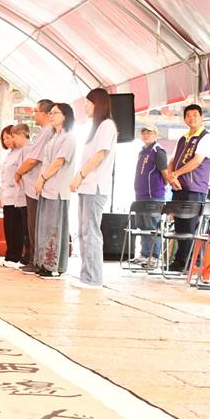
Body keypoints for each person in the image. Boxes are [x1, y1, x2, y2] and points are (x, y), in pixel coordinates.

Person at [70, 88, 118, 289]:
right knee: (84, 231)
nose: (85, 107)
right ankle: (86, 275)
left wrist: (79, 176)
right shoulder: (97, 127)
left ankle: (93, 278)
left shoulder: (107, 125)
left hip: (95, 186)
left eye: (88, 103)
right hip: (87, 186)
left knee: (91, 232)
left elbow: (99, 156)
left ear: (97, 104)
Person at [167, 104, 210, 272]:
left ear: (201, 117)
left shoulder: (206, 137)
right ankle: (180, 262)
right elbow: (172, 160)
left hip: (195, 190)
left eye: (195, 115)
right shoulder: (182, 138)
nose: (191, 118)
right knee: (179, 227)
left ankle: (190, 263)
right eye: (188, 115)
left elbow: (197, 161)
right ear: (184, 119)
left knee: (190, 227)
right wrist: (171, 176)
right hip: (178, 188)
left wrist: (176, 174)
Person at [34, 103, 78, 279]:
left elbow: (59, 161)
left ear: (65, 116)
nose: (51, 115)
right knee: (44, 226)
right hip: (46, 187)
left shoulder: (69, 137)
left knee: (54, 226)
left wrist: (42, 178)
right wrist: (41, 179)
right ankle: (43, 262)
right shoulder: (53, 137)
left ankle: (53, 265)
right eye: (50, 113)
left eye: (55, 113)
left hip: (58, 188)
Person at [16, 100, 54, 270]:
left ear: (45, 113)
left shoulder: (47, 132)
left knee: (35, 225)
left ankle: (36, 261)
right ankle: (35, 260)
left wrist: (18, 172)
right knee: (32, 225)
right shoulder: (44, 132)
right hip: (32, 185)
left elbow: (33, 160)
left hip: (36, 185)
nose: (34, 115)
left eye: (36, 111)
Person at [131, 122, 171, 267]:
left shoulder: (158, 151)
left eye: (149, 132)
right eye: (144, 132)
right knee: (142, 225)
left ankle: (154, 256)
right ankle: (144, 254)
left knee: (152, 226)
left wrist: (162, 187)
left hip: (153, 195)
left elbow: (165, 174)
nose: (146, 135)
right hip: (140, 195)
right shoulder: (142, 151)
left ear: (156, 135)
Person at [0, 125, 26, 267]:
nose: (6, 141)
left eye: (8, 137)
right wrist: (1, 195)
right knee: (8, 227)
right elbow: (4, 177)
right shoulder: (9, 154)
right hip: (7, 195)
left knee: (16, 228)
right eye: (4, 139)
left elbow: (21, 173)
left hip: (17, 195)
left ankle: (15, 256)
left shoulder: (22, 151)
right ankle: (9, 255)